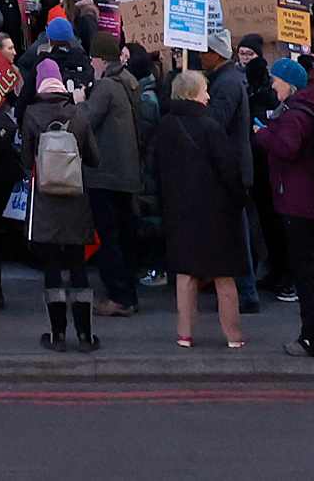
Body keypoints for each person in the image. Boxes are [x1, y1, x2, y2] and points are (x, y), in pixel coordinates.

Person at [148, 66, 247, 351]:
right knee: (224, 277)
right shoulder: (210, 126)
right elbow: (228, 169)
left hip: (179, 209)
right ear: (192, 94)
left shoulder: (165, 124)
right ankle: (233, 335)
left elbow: (154, 165)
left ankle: (185, 334)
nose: (208, 97)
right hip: (215, 210)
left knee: (185, 274)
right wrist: (240, 197)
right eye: (204, 91)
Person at [254, 58, 314, 358]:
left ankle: (313, 339)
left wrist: (262, 134)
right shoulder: (310, 108)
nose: (273, 85)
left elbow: (287, 147)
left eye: (277, 80)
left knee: (307, 275)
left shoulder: (294, 115)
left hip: (299, 204)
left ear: (290, 84)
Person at [16, 59, 97, 352]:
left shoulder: (31, 114)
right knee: (77, 265)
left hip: (46, 202)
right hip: (76, 199)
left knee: (51, 266)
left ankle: (58, 335)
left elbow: (25, 161)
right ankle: (86, 337)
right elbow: (94, 158)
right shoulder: (78, 113)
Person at [77, 44, 148, 318]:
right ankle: (128, 293)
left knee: (109, 238)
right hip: (127, 172)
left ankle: (119, 297)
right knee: (125, 235)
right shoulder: (129, 83)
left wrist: (79, 99)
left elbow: (85, 120)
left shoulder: (106, 87)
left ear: (98, 58)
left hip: (106, 173)